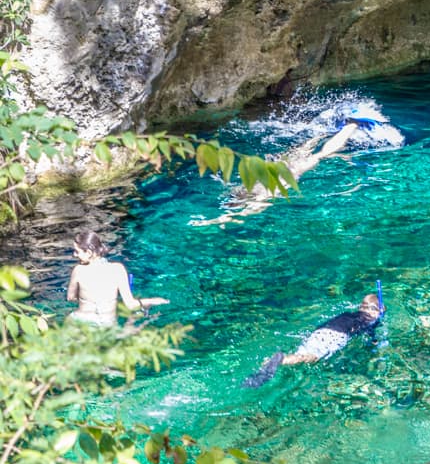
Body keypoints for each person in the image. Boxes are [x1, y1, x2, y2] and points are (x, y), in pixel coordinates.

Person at [190, 116, 371, 227]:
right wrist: (214, 220)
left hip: (290, 171)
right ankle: (328, 131)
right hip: (278, 166)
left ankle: (351, 126)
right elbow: (235, 212)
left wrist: (214, 221)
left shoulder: (258, 198)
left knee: (323, 154)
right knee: (304, 148)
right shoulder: (243, 190)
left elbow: (238, 215)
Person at [242, 293, 385, 388]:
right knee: (311, 357)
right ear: (374, 310)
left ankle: (267, 364)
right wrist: (375, 343)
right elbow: (373, 340)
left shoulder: (349, 313)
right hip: (336, 337)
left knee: (305, 351)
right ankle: (282, 360)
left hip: (321, 331)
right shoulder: (369, 320)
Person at [67, 230, 169, 327]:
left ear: (89, 253)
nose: (74, 255)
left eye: (77, 251)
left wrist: (85, 299)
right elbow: (131, 305)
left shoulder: (78, 270)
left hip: (80, 322)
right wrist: (152, 301)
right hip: (106, 324)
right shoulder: (117, 269)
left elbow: (70, 298)